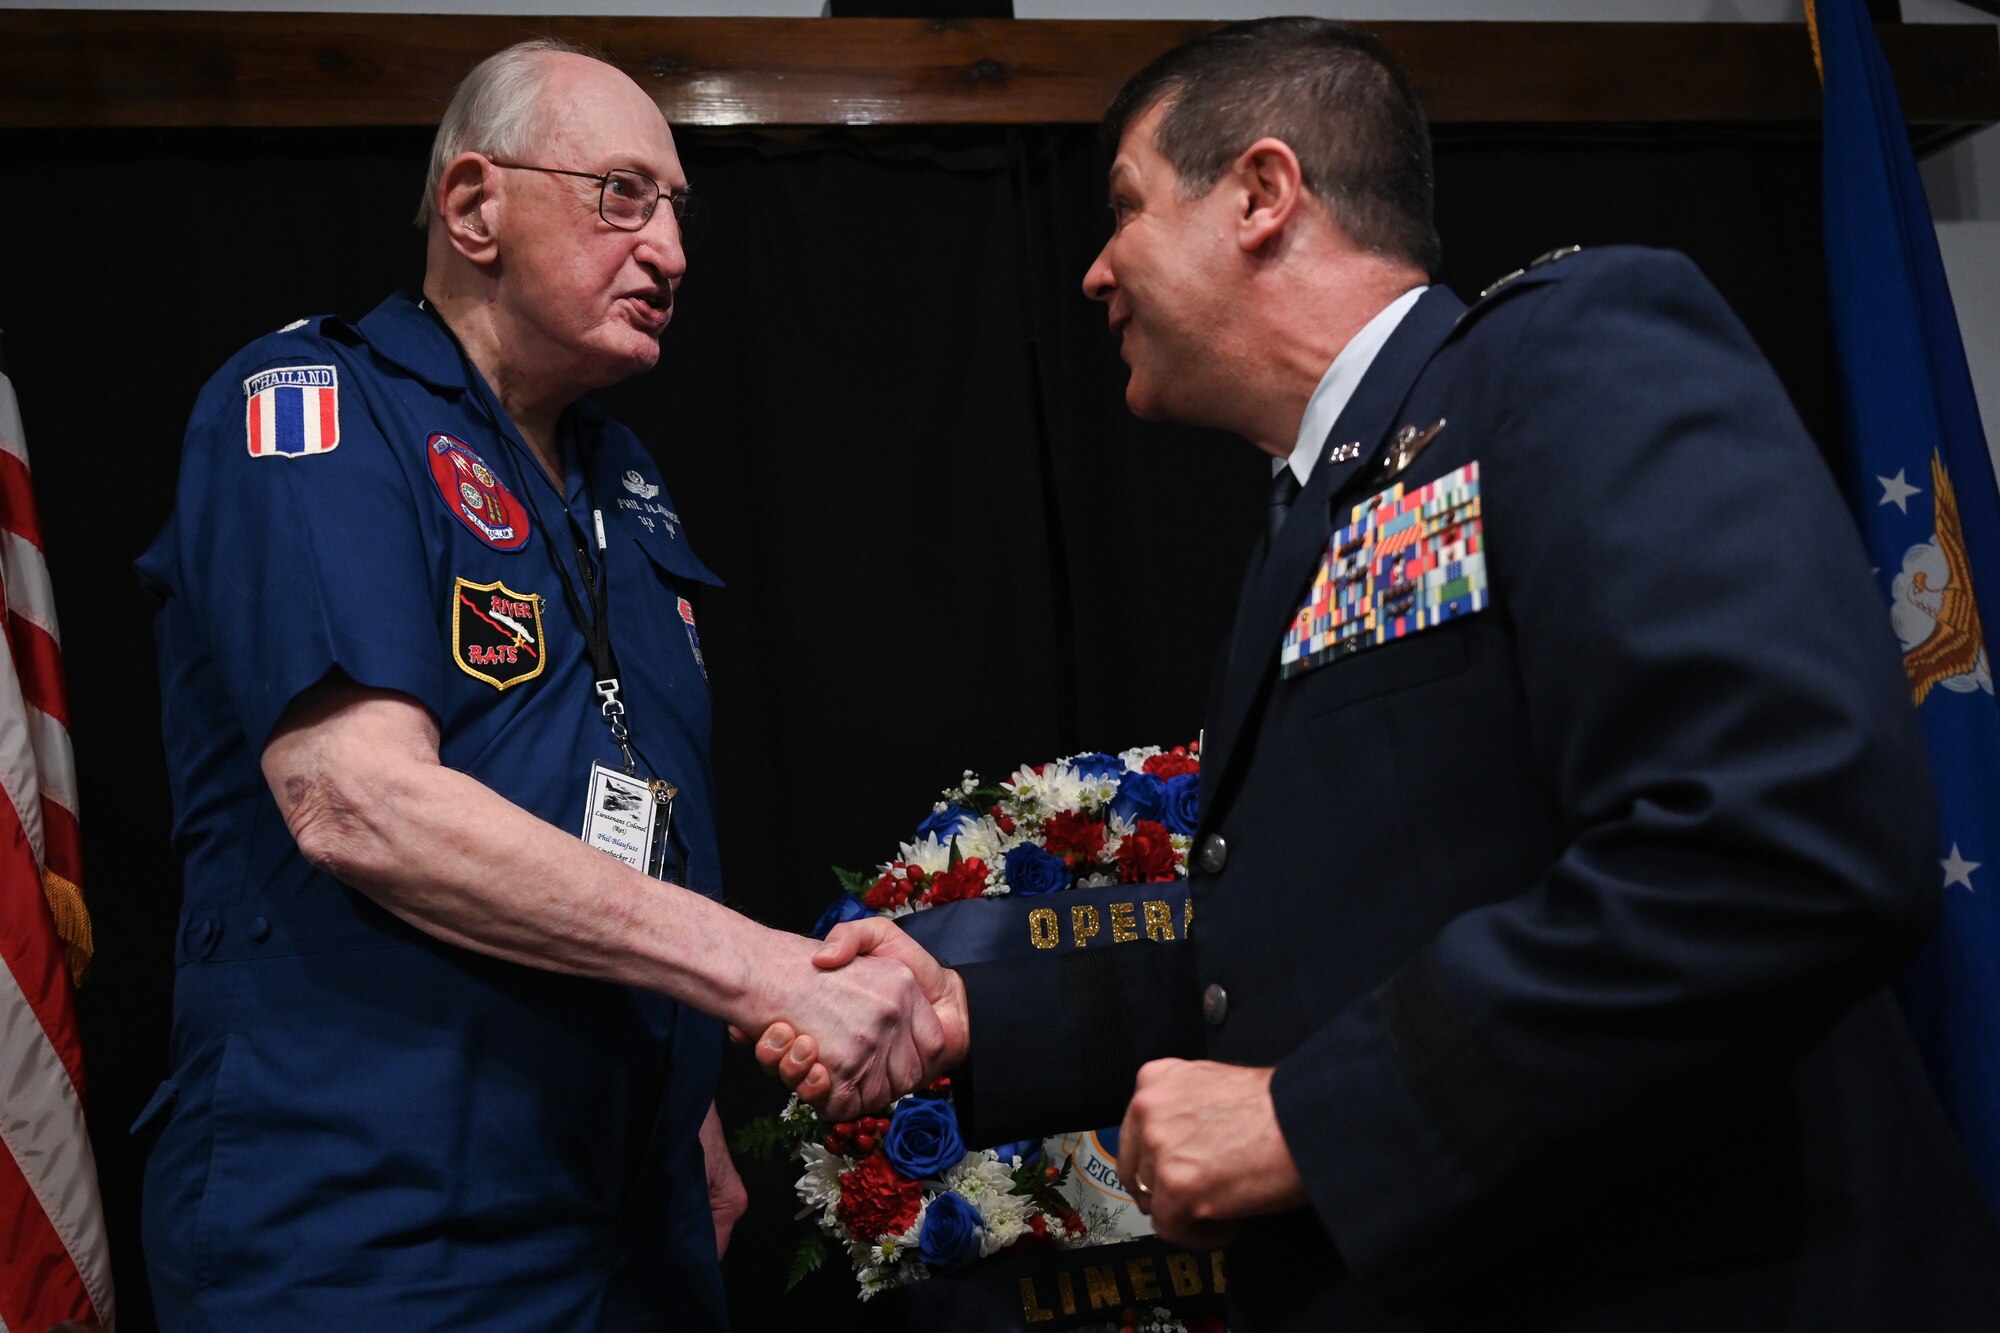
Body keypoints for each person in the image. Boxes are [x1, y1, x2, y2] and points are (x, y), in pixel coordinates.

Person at [758, 17, 2000, 1331]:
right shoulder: (1319, 515)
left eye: (1123, 208)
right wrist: (970, 1014)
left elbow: (1786, 834)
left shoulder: (1567, 356)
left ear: (1260, 193)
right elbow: (1318, 943)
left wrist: (1313, 1117)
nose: (1096, 271)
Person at [133, 39, 950, 1331]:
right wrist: (768, 976)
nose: (671, 252)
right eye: (623, 195)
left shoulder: (618, 478)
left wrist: (684, 1108)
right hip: (379, 1223)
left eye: (677, 209)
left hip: (625, 1206)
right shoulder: (314, 410)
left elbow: (611, 795)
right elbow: (357, 801)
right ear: (473, 207)